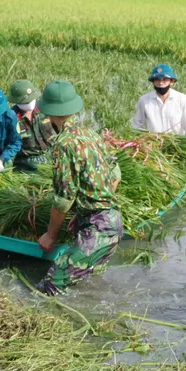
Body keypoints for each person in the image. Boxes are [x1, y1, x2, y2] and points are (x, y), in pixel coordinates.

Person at [35, 80, 123, 296]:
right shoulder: (91, 135)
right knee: (87, 285)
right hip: (111, 223)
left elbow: (63, 199)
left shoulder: (64, 143)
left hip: (97, 231)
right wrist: (88, 210)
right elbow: (115, 175)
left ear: (48, 112)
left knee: (51, 286)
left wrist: (50, 235)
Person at [130, 64, 186, 150]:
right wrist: (139, 144)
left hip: (176, 146)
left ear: (172, 82)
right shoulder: (144, 101)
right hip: (153, 146)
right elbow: (138, 125)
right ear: (153, 82)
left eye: (164, 80)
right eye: (157, 80)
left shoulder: (182, 99)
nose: (160, 83)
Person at [7, 79, 56, 172]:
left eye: (32, 99)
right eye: (26, 102)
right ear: (17, 102)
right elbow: (9, 149)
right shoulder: (11, 119)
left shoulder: (45, 111)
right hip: (25, 166)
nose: (30, 104)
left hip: (50, 159)